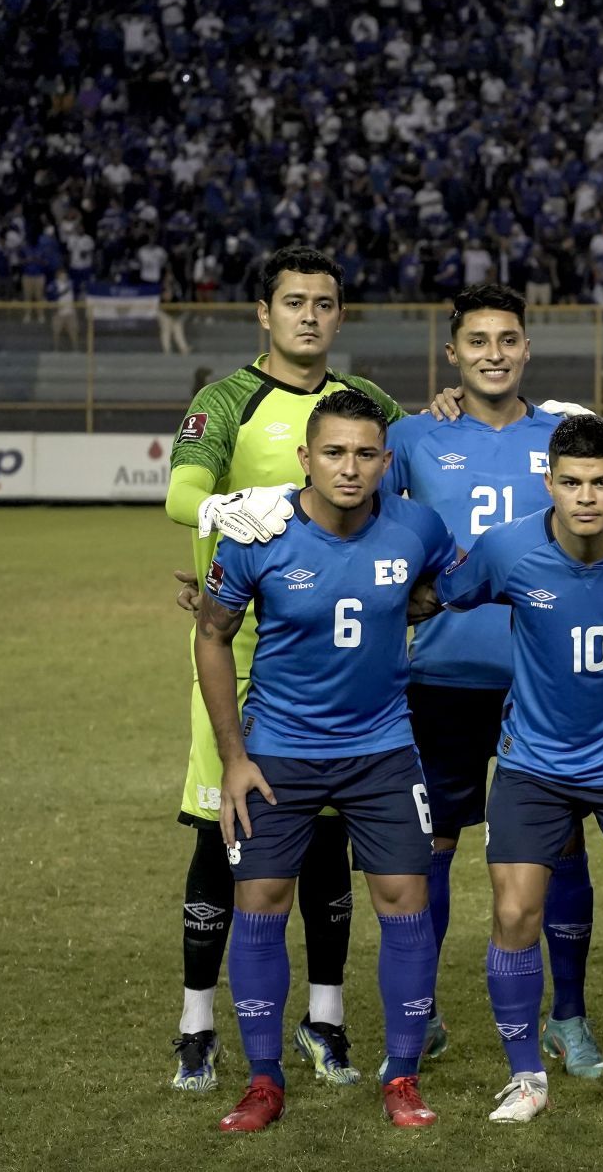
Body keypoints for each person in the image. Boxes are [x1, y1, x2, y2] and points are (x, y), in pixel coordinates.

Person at [413, 414, 603, 1124]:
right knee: (514, 911)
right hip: (535, 762)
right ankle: (525, 1077)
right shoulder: (509, 546)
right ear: (547, 482)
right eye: (571, 482)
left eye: (601, 481)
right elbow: (436, 594)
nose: (586, 497)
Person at [164, 246, 404, 1093]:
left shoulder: (367, 406)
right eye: (293, 301)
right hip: (237, 653)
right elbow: (180, 492)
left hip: (343, 665)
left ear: (340, 316)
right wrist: (230, 508)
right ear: (263, 314)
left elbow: (407, 480)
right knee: (219, 832)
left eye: (325, 302)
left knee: (331, 836)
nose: (309, 314)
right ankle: (197, 1024)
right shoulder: (226, 399)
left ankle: (326, 1019)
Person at [194, 387, 460, 1131]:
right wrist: (234, 758)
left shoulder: (416, 526)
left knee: (406, 900)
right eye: (334, 452)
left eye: (366, 453)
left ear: (386, 460)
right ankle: (263, 1079)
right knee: (261, 906)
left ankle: (402, 1075)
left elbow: (451, 578)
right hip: (279, 751)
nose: (350, 467)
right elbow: (212, 634)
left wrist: (420, 600)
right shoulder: (259, 530)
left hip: (383, 750)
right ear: (306, 458)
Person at [382, 283, 603, 1075]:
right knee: (431, 848)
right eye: (477, 341)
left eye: (508, 339)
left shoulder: (565, 434)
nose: (494, 353)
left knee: (562, 848)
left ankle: (568, 1018)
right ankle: (424, 1015)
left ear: (527, 348)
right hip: (440, 676)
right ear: (453, 354)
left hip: (546, 679)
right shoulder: (412, 436)